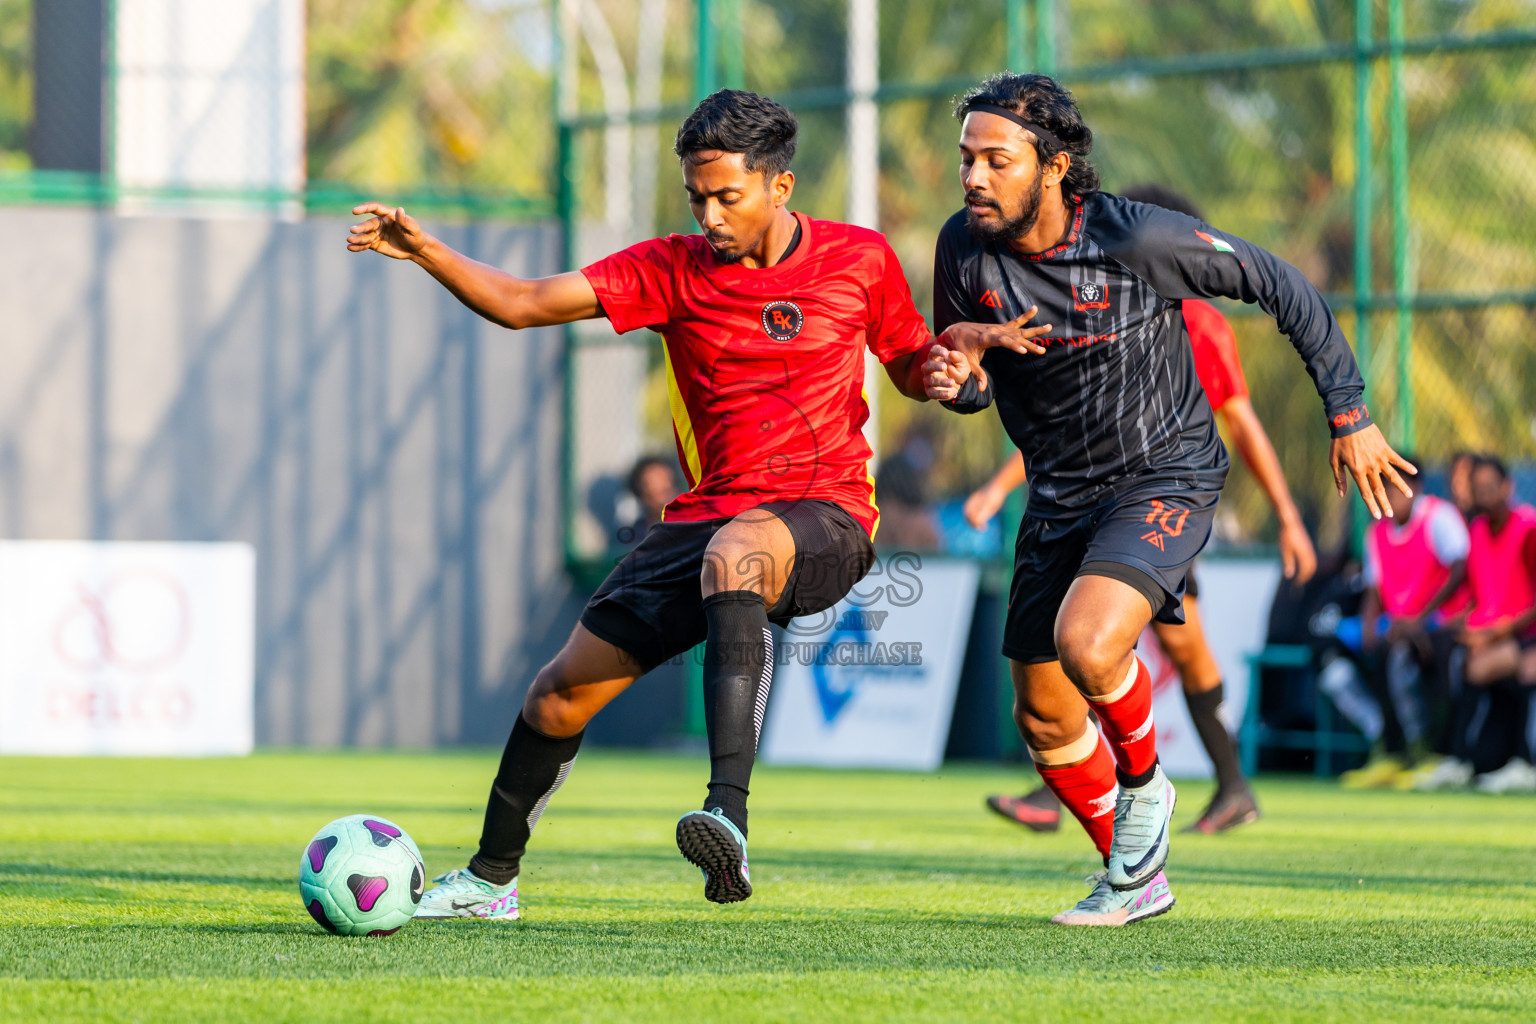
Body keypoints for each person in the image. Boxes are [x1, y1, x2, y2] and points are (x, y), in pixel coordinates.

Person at [347, 89, 1039, 919]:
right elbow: (524, 304)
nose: (709, 215)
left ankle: (728, 817)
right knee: (557, 695)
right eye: (696, 198)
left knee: (737, 553)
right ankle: (491, 883)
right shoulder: (670, 268)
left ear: (779, 188)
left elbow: (911, 367)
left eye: (727, 196)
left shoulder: (859, 259)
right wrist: (428, 251)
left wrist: (952, 380)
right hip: (708, 517)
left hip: (827, 515)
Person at [922, 72, 1413, 926]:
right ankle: (1137, 875)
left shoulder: (1133, 237)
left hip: (1166, 475)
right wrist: (954, 382)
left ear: (1054, 164)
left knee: (1088, 641)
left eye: (994, 161)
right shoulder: (962, 248)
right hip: (1058, 494)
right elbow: (972, 378)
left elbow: (1278, 282)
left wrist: (1350, 415)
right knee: (1042, 720)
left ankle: (1149, 787)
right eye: (966, 158)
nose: (972, 177)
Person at [967, 182, 1318, 836]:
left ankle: (1226, 786)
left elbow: (1242, 425)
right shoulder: (1087, 304)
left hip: (1156, 508)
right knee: (1092, 643)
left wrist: (1290, 516)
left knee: (1159, 652)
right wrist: (997, 488)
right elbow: (1072, 424)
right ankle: (1085, 789)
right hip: (1088, 506)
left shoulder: (1199, 324)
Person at [1336, 461, 1472, 791]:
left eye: (1394, 488)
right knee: (1341, 652)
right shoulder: (1377, 532)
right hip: (1399, 624)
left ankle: (1425, 751)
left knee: (1403, 656)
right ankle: (1388, 749)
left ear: (1416, 487)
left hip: (1441, 622)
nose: (1387, 496)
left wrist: (1420, 619)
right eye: (1381, 488)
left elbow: (1460, 570)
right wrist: (1369, 625)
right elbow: (1373, 588)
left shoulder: (1440, 517)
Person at [1452, 455, 1536, 792]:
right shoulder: (1477, 531)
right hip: (1503, 639)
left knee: (1511, 667)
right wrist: (1469, 629)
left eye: (1490, 487)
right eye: (1478, 488)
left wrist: (1497, 633)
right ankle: (1463, 759)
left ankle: (1526, 762)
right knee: (1462, 659)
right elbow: (1479, 596)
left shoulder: (1527, 529)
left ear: (1507, 487)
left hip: (1523, 638)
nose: (1484, 495)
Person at [616, 455, 683, 544]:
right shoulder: (634, 535)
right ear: (642, 496)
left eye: (669, 486)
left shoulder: (692, 527)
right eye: (660, 492)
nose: (668, 498)